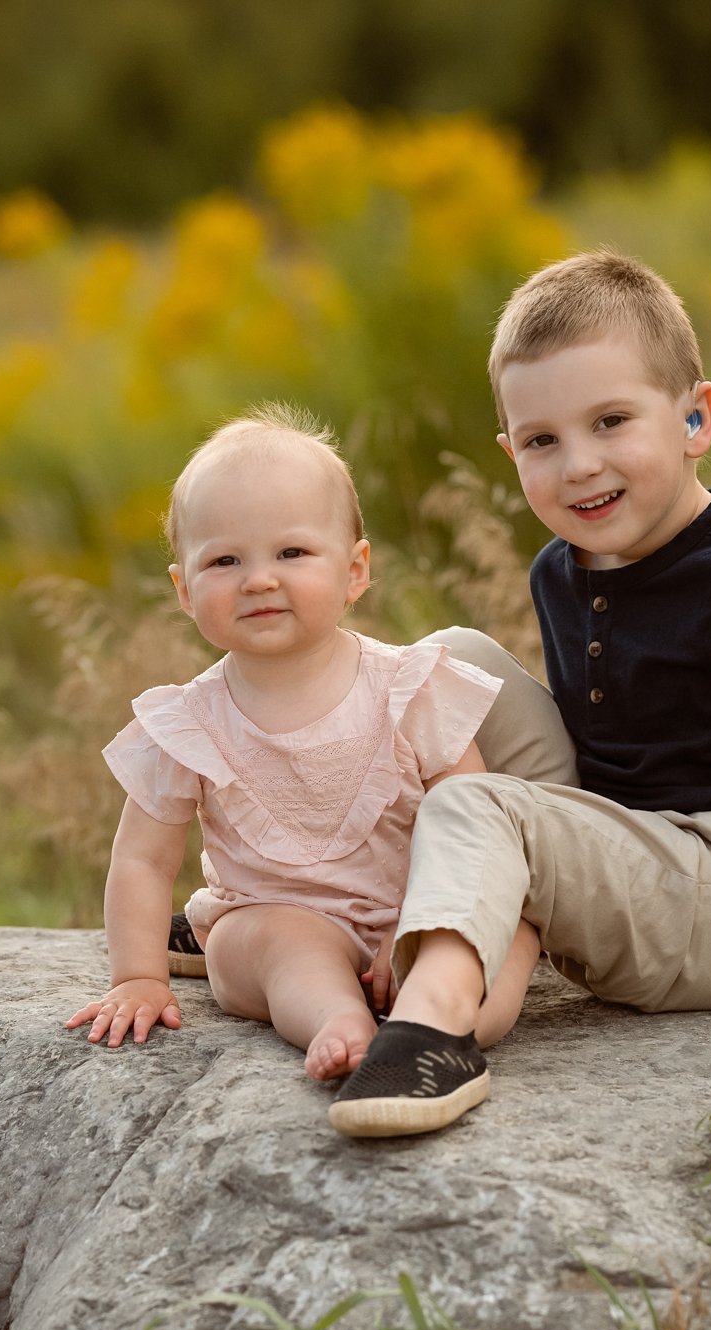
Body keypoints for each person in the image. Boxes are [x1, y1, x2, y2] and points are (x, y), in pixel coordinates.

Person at [328, 251, 711, 1138]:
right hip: (625, 846)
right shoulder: (558, 569)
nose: (579, 466)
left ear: (695, 416)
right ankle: (307, 891)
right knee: (444, 662)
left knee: (478, 802)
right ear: (511, 452)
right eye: (543, 441)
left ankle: (434, 1030)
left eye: (611, 421)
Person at [65, 406, 546, 1081]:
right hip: (278, 915)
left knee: (507, 935)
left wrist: (418, 920)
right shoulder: (189, 723)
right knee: (265, 943)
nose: (259, 578)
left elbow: (472, 822)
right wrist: (138, 976)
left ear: (355, 570)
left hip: (417, 907)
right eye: (225, 560)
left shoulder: (408, 687)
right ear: (184, 589)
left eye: (292, 553)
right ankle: (335, 1019)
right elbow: (143, 861)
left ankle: (439, 1015)